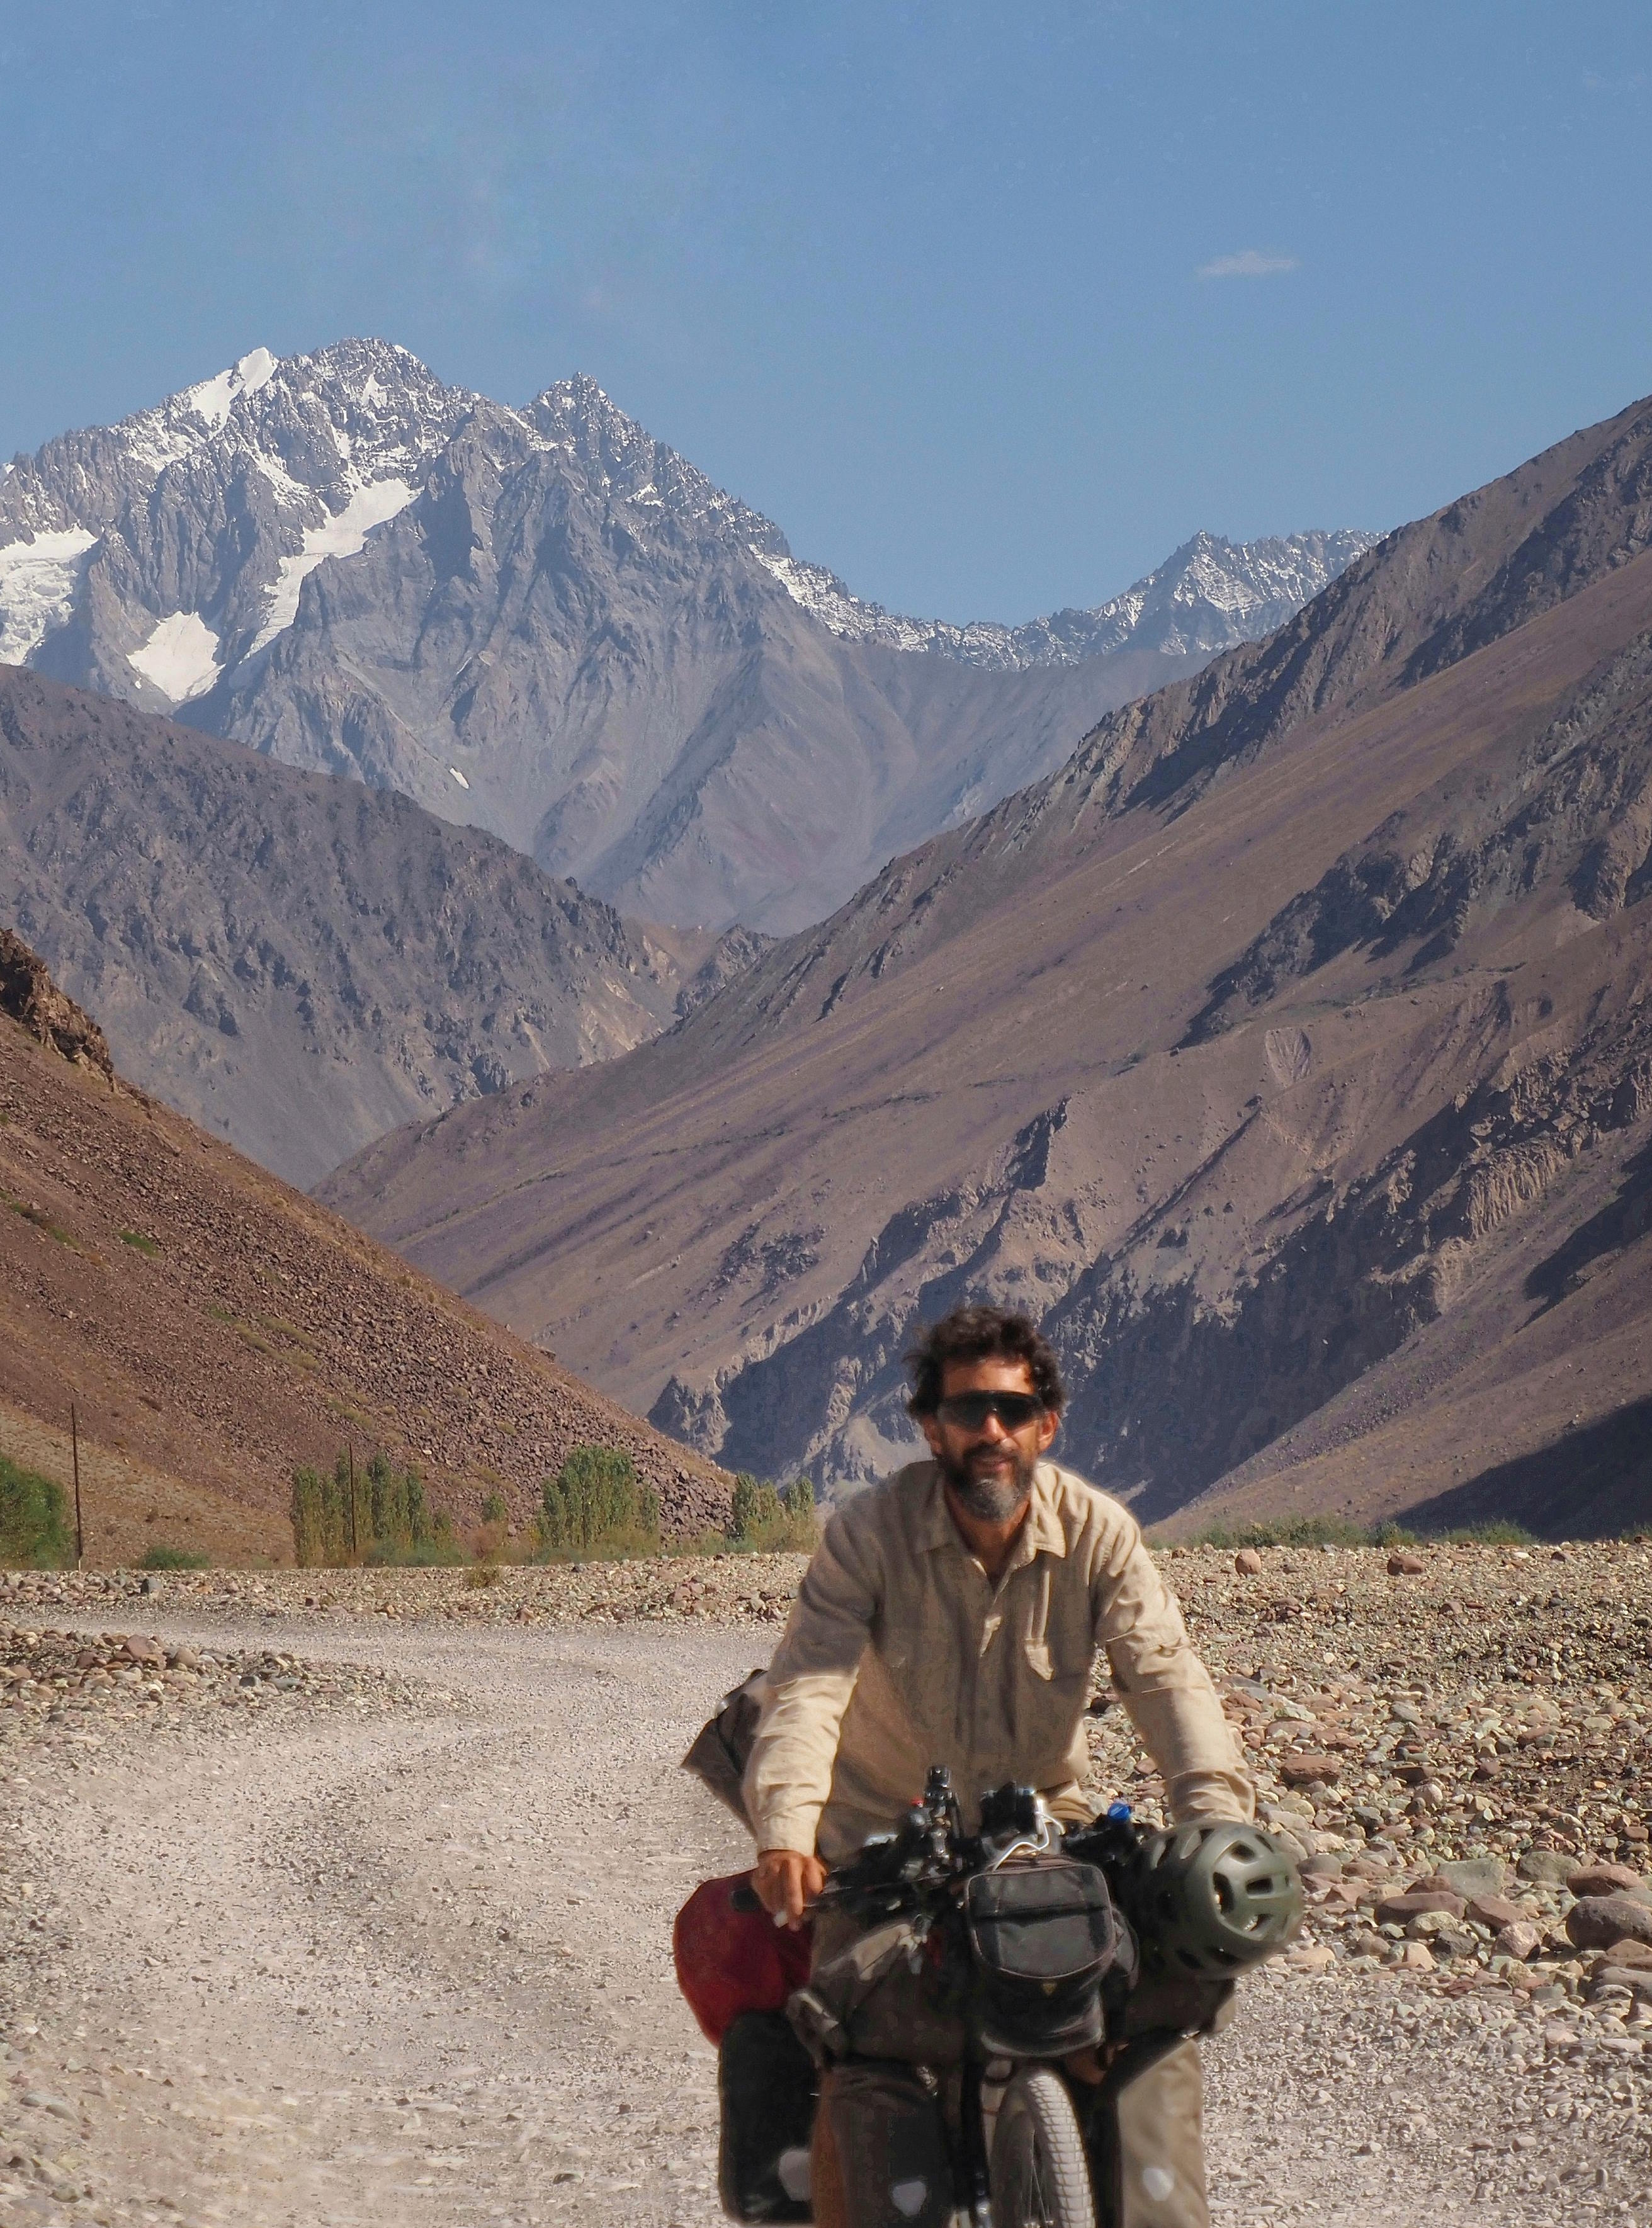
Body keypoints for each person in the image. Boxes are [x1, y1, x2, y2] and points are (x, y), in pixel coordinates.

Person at [742, 1303, 1254, 2228]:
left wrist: (1214, 1817)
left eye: (1013, 1413)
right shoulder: (867, 1535)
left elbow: (1167, 1677)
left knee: (1125, 2008)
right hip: (882, 1837)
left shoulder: (1098, 1535)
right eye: (968, 1409)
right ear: (930, 1426)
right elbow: (810, 1684)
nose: (991, 1433)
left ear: (1045, 1426)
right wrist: (786, 1826)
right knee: (858, 2048)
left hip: (1043, 1829)